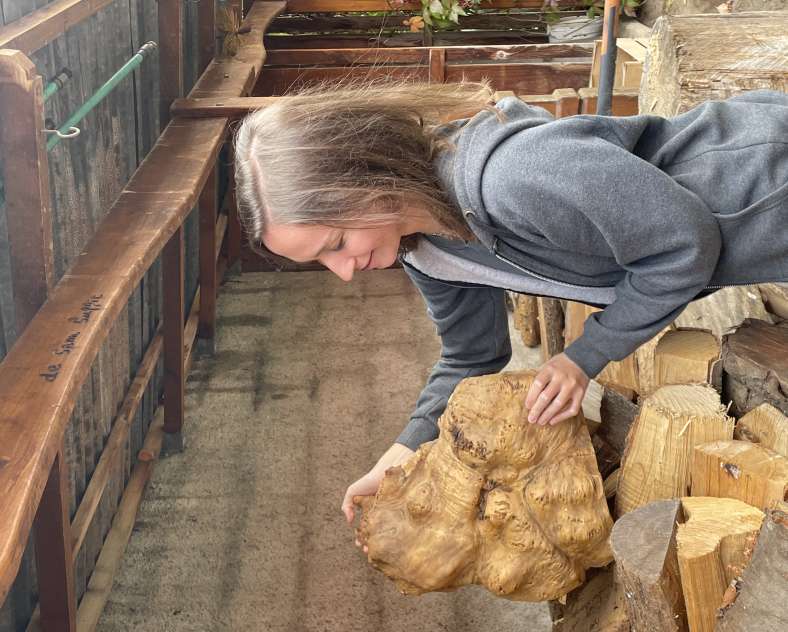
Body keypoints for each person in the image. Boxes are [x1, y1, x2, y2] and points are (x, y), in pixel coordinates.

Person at [233, 78, 788, 529]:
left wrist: (583, 357)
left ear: (364, 181)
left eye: (335, 245)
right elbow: (470, 356)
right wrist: (401, 456)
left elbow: (683, 245)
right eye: (323, 262)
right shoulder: (426, 249)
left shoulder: (510, 177)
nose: (345, 272)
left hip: (766, 184)